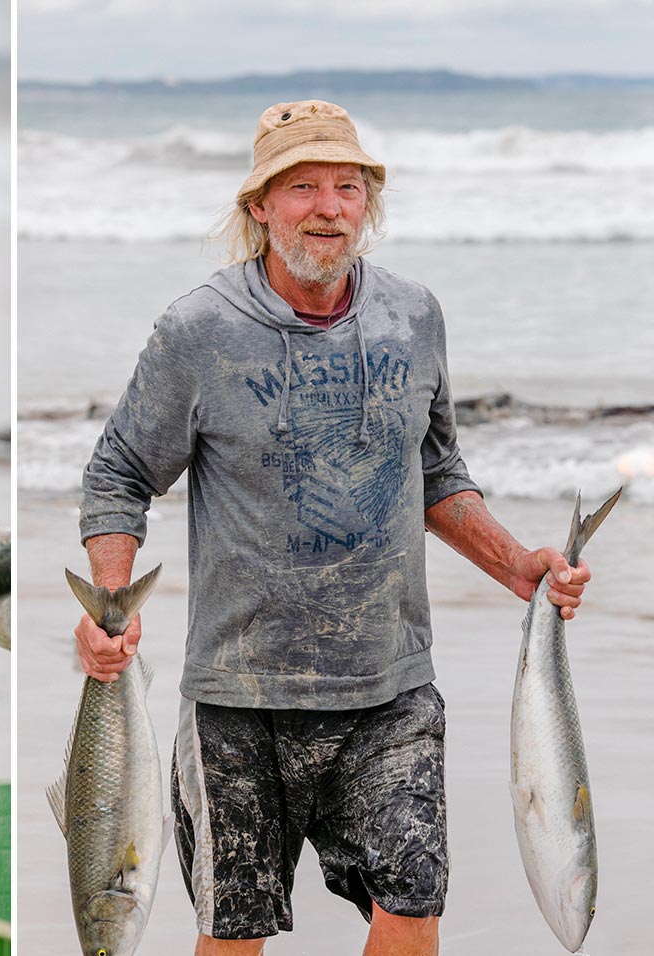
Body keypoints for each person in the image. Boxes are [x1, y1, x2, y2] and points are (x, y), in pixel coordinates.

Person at [74, 101, 592, 956]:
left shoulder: (414, 316)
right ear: (259, 209)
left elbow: (433, 472)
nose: (328, 207)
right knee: (234, 937)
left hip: (389, 687)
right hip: (239, 700)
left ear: (369, 203)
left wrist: (518, 567)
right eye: (302, 187)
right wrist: (107, 605)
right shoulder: (198, 331)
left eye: (348, 187)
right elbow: (119, 475)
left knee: (415, 909)